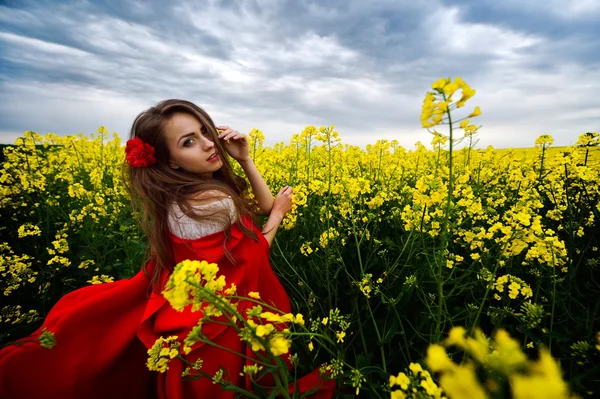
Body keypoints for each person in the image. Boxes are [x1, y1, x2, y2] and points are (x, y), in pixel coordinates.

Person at [0, 100, 335, 399]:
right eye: (188, 142)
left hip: (189, 319)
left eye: (205, 131)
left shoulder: (176, 196)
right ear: (170, 161)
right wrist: (278, 214)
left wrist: (245, 159)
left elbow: (257, 209)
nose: (208, 144)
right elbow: (256, 250)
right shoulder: (212, 202)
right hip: (217, 331)